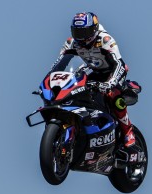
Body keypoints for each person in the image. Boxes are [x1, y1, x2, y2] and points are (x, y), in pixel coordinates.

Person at [53, 12, 136, 147]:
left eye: (85, 32)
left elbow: (119, 64)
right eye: (77, 32)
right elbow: (59, 64)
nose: (81, 37)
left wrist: (110, 83)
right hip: (93, 71)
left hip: (113, 72)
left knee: (113, 96)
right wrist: (53, 80)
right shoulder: (71, 43)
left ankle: (128, 131)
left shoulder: (105, 40)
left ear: (94, 29)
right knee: (73, 90)